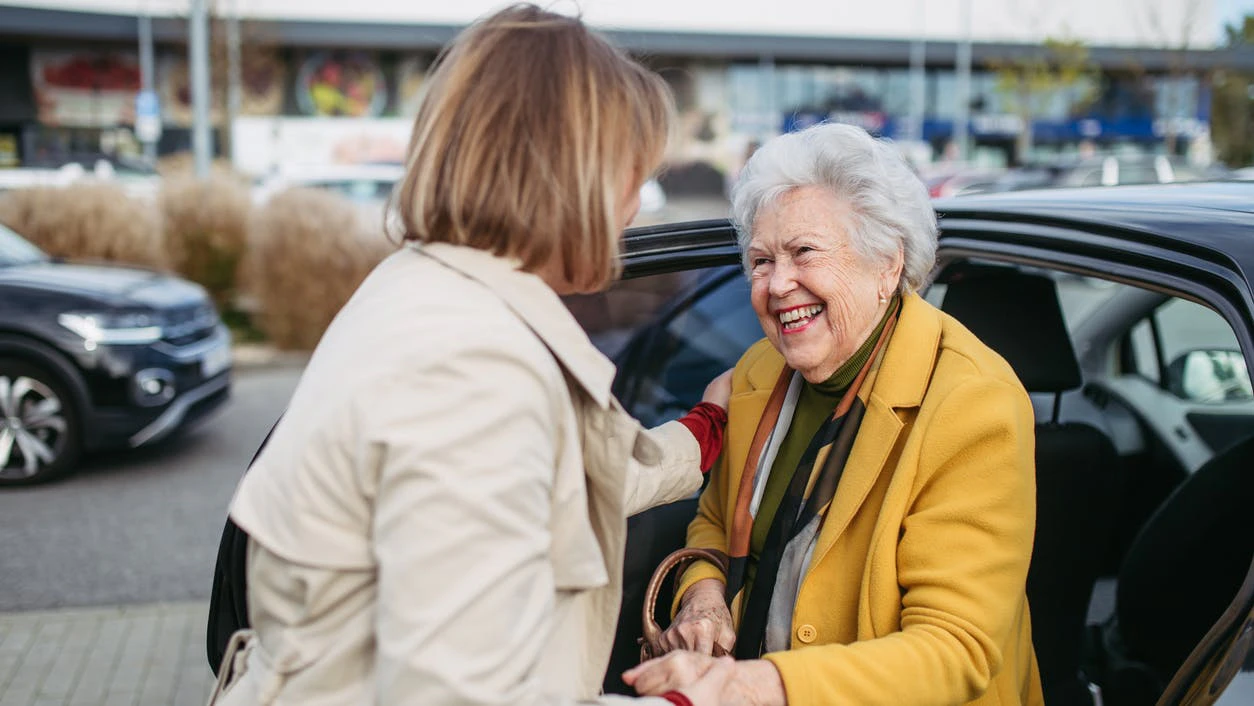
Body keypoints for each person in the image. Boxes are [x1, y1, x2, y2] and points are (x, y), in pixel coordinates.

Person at [205, 5, 737, 705]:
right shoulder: (473, 370)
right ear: (569, 176)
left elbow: (562, 477)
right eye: (630, 176)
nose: (636, 207)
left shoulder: (424, 289)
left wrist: (704, 430)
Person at [623, 123, 1044, 706]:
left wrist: (762, 684)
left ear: (887, 264)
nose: (777, 285)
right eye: (761, 261)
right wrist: (702, 594)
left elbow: (956, 648)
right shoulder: (758, 372)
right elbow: (716, 521)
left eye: (804, 253)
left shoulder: (974, 404)